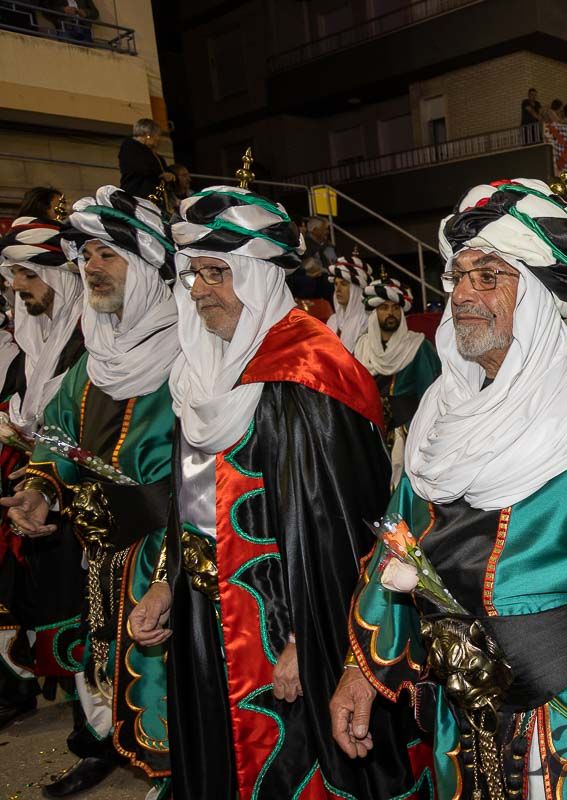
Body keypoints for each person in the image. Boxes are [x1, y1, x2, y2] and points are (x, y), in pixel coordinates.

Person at [330, 178, 567, 799]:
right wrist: (360, 671)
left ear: (534, 295)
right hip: (458, 714)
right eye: (458, 277)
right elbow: (397, 545)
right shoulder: (438, 412)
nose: (463, 297)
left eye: (489, 277)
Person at [127, 183, 423, 799]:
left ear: (258, 277)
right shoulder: (199, 373)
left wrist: (309, 642)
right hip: (205, 618)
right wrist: (166, 580)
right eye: (194, 274)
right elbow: (194, 502)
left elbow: (342, 531)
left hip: (286, 629)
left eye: (217, 272)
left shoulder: (308, 372)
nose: (202, 288)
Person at [2, 187, 179, 798]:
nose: (92, 267)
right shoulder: (95, 358)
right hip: (105, 552)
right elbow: (57, 435)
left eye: (108, 254)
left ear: (152, 266)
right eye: (85, 257)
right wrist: (39, 486)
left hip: (177, 551)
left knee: (175, 674)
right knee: (113, 670)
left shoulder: (193, 352)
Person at [0, 217, 86, 733]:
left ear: (55, 277)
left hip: (87, 508)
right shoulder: (32, 348)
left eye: (26, 278)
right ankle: (89, 737)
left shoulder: (88, 342)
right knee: (61, 618)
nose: (16, 289)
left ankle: (107, 742)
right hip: (45, 500)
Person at [353, 276, 440, 487]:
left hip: (408, 432)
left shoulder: (419, 347)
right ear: (374, 313)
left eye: (394, 308)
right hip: (371, 432)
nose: (390, 313)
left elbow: (432, 396)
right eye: (384, 308)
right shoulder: (361, 347)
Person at [288, 216, 337, 318]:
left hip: (326, 274)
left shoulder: (328, 246)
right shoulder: (303, 245)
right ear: (315, 230)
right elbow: (299, 264)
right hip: (310, 276)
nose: (327, 232)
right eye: (325, 229)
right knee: (325, 282)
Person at [118, 119, 173, 201]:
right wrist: (159, 174)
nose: (158, 138)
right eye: (157, 135)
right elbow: (138, 167)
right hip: (136, 195)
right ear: (148, 134)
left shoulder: (154, 154)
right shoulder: (130, 147)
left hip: (154, 196)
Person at [326, 251, 371, 350]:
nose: (338, 289)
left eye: (343, 284)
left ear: (356, 290)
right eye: (336, 284)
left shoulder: (367, 320)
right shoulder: (332, 321)